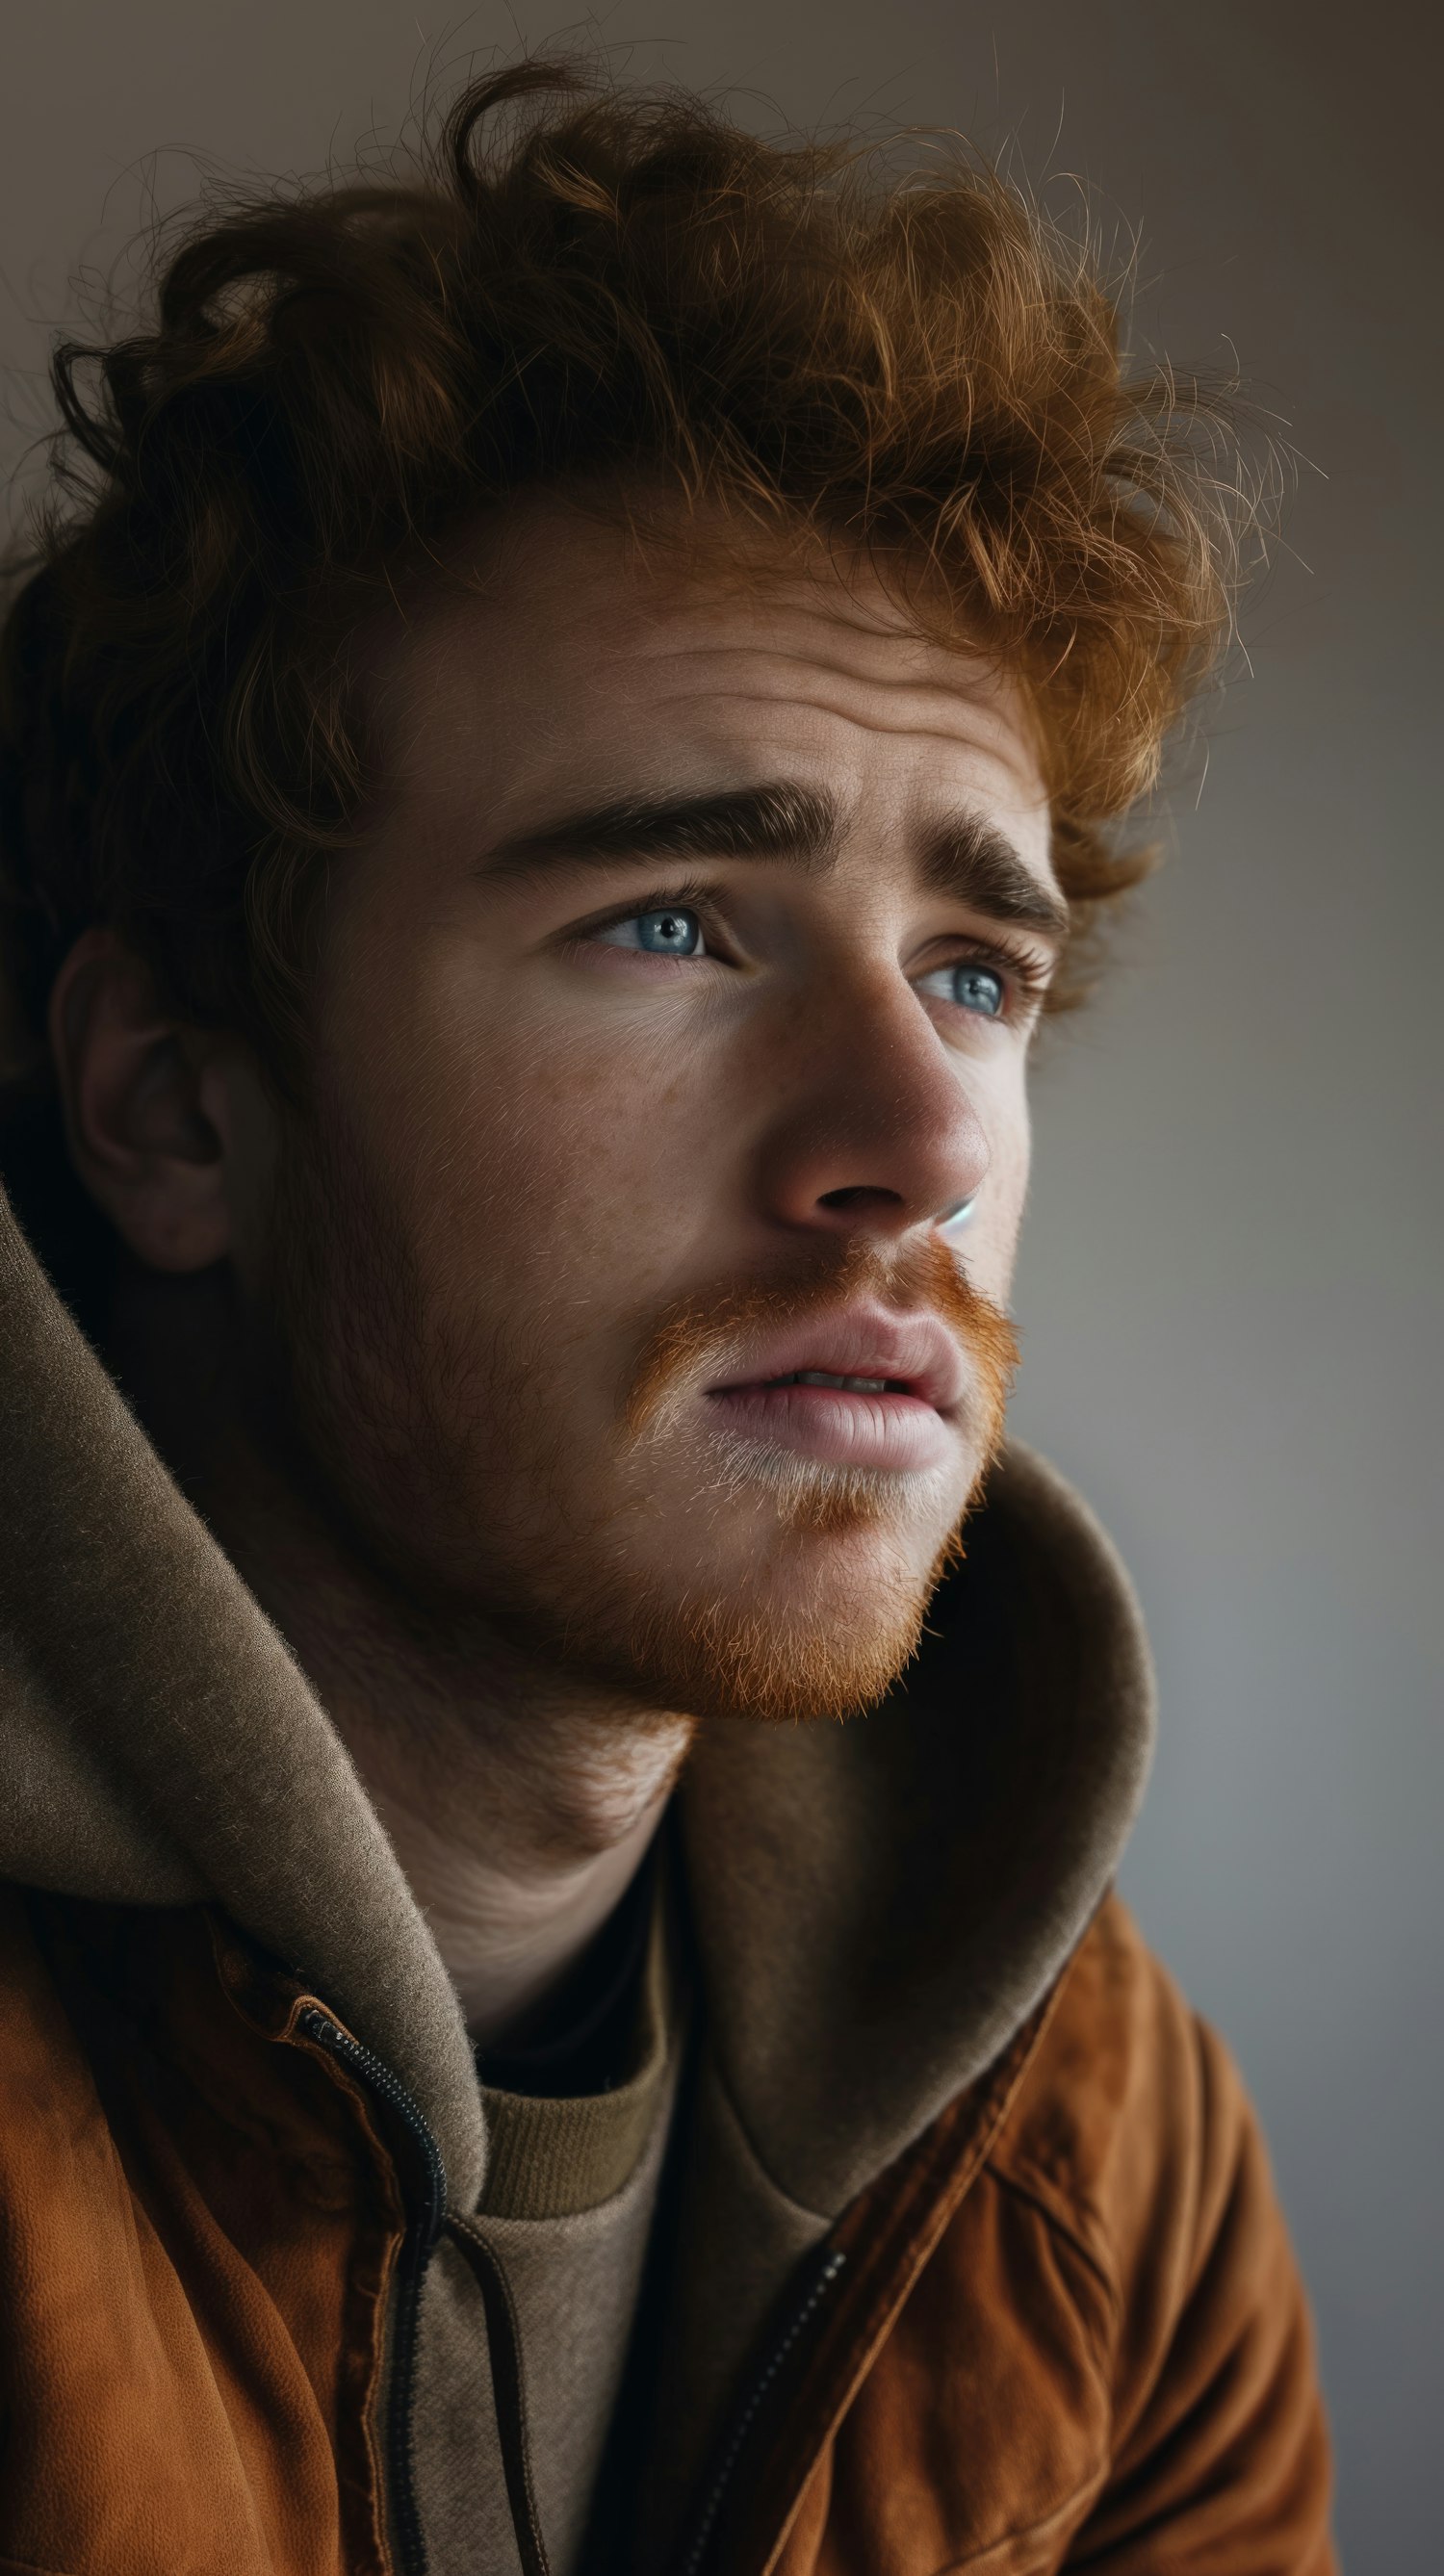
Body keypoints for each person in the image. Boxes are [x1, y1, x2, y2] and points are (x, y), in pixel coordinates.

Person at [0, 58, 1335, 2576]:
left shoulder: (1090, 2134)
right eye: (672, 921)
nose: (918, 1145)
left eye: (971, 968)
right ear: (175, 1107)